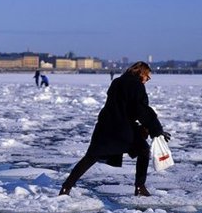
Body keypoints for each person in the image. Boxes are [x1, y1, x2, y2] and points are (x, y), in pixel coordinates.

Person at [59, 61, 171, 197]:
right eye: (148, 76)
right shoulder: (136, 86)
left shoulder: (117, 82)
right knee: (143, 151)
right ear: (142, 73)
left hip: (106, 126)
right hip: (122, 128)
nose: (147, 80)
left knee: (91, 157)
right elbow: (141, 110)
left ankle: (66, 187)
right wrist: (156, 130)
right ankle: (140, 187)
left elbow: (126, 108)